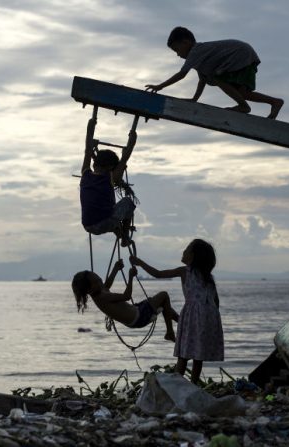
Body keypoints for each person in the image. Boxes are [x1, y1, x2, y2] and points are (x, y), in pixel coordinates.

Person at [130, 239, 224, 384]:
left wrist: (140, 262)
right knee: (197, 356)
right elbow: (216, 301)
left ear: (193, 256)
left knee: (183, 354)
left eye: (186, 249)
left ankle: (176, 386)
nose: (183, 251)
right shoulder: (208, 278)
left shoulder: (184, 271)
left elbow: (158, 274)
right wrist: (210, 320)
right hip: (209, 317)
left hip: (193, 316)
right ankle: (193, 386)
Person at [145, 26, 284, 118]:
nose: (178, 55)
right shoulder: (201, 59)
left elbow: (182, 74)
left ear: (186, 42)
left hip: (239, 54)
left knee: (218, 79)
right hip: (245, 54)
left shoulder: (196, 50)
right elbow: (202, 80)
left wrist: (160, 86)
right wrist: (195, 99)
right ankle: (274, 102)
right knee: (242, 93)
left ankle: (243, 106)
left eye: (177, 50)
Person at [71, 260, 178, 342]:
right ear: (89, 289)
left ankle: (181, 320)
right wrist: (130, 277)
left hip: (136, 312)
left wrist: (115, 268)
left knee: (164, 305)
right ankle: (170, 332)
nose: (100, 281)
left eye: (99, 278)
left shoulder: (98, 292)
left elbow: (106, 285)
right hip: (139, 317)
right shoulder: (102, 298)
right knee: (164, 295)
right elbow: (127, 296)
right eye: (97, 281)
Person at [80, 117, 137, 246]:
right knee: (128, 202)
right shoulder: (110, 178)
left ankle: (118, 229)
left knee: (110, 214)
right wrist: (132, 141)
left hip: (88, 225)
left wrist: (90, 126)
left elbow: (87, 151)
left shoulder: (85, 173)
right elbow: (124, 159)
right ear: (111, 167)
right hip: (103, 223)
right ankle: (125, 237)